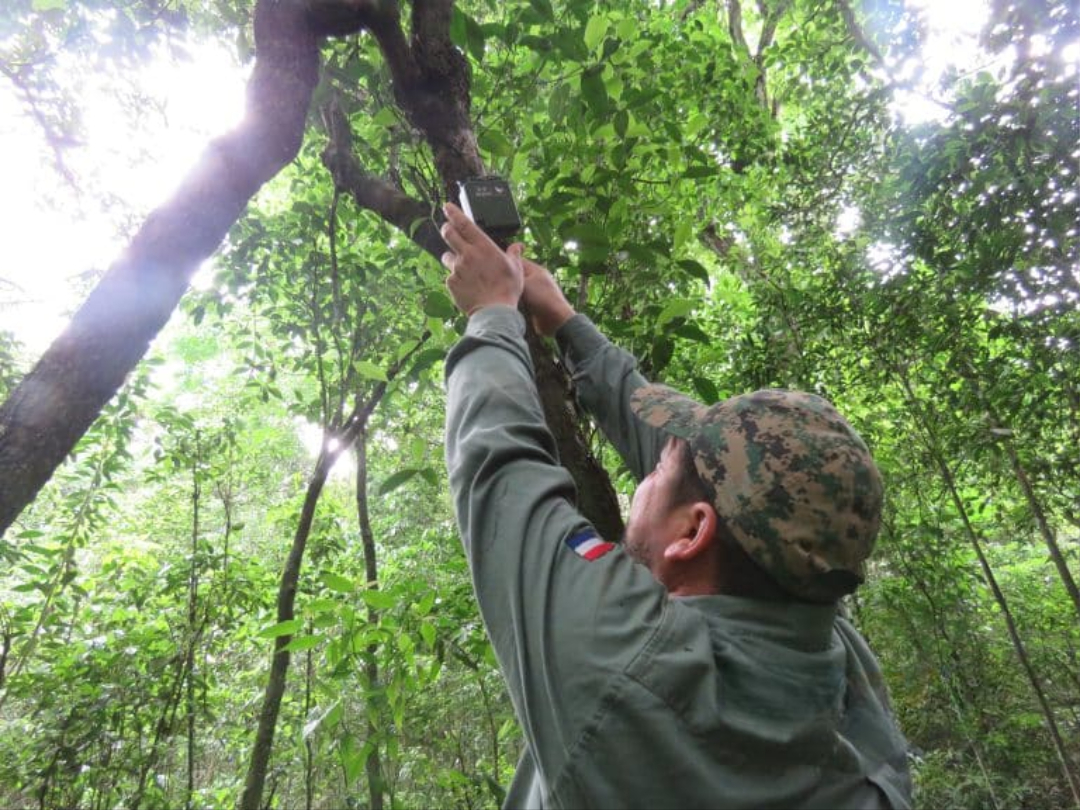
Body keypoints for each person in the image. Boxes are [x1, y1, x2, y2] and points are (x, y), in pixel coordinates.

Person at [439, 202, 913, 809]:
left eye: (659, 468)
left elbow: (499, 471)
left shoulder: (625, 665)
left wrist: (490, 315)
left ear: (692, 533)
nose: (648, 467)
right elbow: (701, 468)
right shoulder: (822, 635)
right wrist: (564, 321)